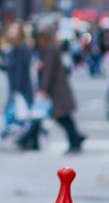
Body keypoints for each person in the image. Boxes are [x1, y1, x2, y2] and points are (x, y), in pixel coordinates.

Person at [36, 22, 85, 152]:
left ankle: (75, 139)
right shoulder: (53, 46)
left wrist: (43, 88)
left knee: (61, 115)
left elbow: (48, 70)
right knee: (64, 116)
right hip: (59, 86)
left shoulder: (51, 48)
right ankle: (76, 137)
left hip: (57, 88)